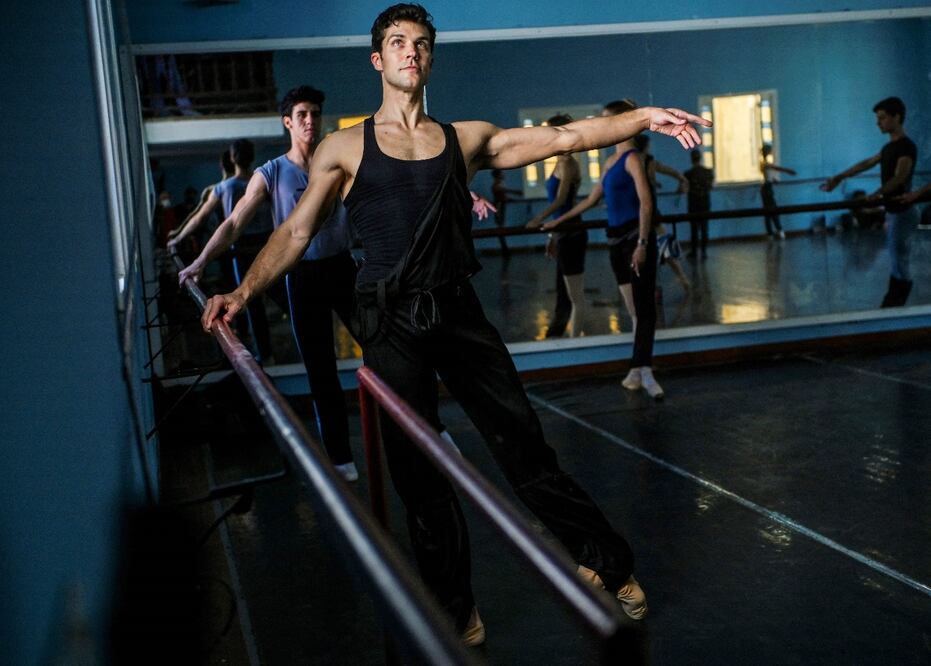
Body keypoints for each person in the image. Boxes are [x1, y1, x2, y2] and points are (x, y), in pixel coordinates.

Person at [200, 3, 708, 642]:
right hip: (389, 322)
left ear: (431, 58)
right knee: (421, 478)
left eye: (421, 43)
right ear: (377, 59)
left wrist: (644, 117)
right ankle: (457, 612)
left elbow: (566, 137)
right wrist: (242, 292)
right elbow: (297, 230)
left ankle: (606, 559)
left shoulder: (464, 139)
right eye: (397, 42)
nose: (411, 51)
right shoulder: (343, 146)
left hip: (459, 313)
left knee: (525, 447)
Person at [179, 86, 361, 482]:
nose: (310, 120)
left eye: (315, 113)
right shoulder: (272, 172)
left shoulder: (340, 164)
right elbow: (233, 222)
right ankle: (340, 458)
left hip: (343, 269)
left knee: (384, 349)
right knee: (320, 370)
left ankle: (418, 430)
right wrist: (199, 261)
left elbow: (387, 191)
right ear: (288, 122)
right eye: (302, 115)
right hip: (302, 277)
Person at [545, 100, 666, 400]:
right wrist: (558, 221)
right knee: (634, 309)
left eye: (606, 121)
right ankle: (638, 369)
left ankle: (644, 369)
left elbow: (647, 203)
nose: (601, 127)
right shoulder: (611, 163)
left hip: (634, 240)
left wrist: (642, 244)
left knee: (644, 308)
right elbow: (591, 200)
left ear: (623, 124)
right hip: (614, 241)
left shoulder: (633, 160)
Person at [170, 139, 278, 363]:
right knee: (273, 298)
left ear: (231, 158)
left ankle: (265, 353)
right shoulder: (263, 181)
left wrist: (177, 238)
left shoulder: (229, 187)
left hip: (244, 248)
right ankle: (266, 352)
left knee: (253, 303)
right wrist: (178, 236)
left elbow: (200, 217)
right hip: (267, 244)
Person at [821, 96, 918, 307]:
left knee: (900, 261)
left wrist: (878, 194)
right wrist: (839, 177)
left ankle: (894, 305)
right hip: (894, 211)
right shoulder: (888, 148)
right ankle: (892, 305)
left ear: (897, 117)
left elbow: (900, 177)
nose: (878, 122)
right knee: (896, 259)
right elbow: (865, 164)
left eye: (882, 118)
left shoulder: (906, 147)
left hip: (903, 211)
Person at [527, 113, 587, 337]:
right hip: (561, 233)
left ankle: (575, 343)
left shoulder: (569, 164)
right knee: (563, 293)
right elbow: (558, 204)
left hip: (571, 232)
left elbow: (562, 201)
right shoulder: (560, 162)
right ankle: (558, 334)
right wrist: (551, 237)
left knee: (574, 296)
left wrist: (538, 220)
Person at [634, 134, 690, 292]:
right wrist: (682, 178)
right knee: (665, 245)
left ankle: (639, 285)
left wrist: (654, 182)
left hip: (638, 211)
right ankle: (683, 279)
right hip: (649, 211)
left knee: (656, 244)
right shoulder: (648, 162)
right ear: (646, 146)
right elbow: (668, 170)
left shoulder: (632, 161)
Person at [760, 145, 796, 239]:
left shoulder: (765, 164)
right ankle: (778, 231)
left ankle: (771, 233)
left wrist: (773, 180)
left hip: (767, 188)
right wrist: (788, 170)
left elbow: (768, 175)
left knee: (768, 211)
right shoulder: (765, 163)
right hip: (767, 189)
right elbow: (776, 168)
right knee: (772, 210)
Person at [683, 150, 713, 258]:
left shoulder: (688, 174)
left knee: (694, 229)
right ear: (700, 158)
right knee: (705, 228)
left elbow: (684, 189)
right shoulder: (708, 172)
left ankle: (694, 252)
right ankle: (704, 251)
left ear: (692, 159)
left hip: (693, 204)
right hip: (705, 203)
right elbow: (710, 187)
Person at [490, 168, 521, 257]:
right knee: (500, 229)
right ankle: (505, 250)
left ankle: (505, 250)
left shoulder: (499, 185)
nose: (504, 174)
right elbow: (503, 192)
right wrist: (516, 193)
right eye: (502, 173)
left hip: (500, 207)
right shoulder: (496, 185)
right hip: (498, 208)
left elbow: (503, 196)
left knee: (501, 228)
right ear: (498, 175)